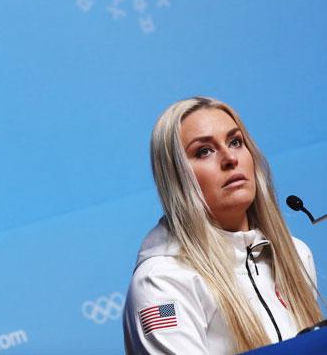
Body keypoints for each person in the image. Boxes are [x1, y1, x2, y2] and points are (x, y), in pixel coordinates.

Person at [123, 97, 323, 354]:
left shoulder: (295, 254)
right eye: (204, 151)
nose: (230, 158)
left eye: (236, 142)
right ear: (176, 177)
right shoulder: (161, 281)